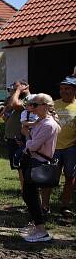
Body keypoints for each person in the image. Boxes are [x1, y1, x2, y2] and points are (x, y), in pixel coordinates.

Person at [18, 93, 61, 242]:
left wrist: (27, 136)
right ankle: (37, 225)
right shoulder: (40, 122)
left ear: (46, 106)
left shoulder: (48, 125)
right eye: (31, 105)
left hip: (38, 162)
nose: (32, 108)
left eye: (35, 105)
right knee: (29, 195)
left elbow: (33, 145)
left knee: (31, 195)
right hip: (32, 160)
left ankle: (41, 229)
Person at [42, 76, 76, 217]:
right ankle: (44, 206)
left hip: (71, 148)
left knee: (70, 177)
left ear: (74, 90)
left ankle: (65, 206)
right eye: (61, 89)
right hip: (53, 148)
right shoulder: (53, 105)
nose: (63, 91)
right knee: (49, 178)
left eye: (67, 88)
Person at [3, 80, 30, 184]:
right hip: (13, 137)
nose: (14, 91)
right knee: (19, 167)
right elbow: (11, 105)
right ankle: (24, 189)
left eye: (16, 89)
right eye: (14, 89)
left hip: (20, 138)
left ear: (25, 87)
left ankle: (26, 191)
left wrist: (18, 90)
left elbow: (14, 104)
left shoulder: (29, 99)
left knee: (23, 166)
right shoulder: (19, 98)